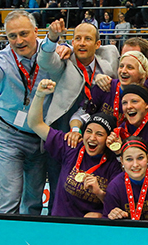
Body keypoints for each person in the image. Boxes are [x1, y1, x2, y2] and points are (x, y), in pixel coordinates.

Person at [0, 11, 51, 215]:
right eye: (12, 36)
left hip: (40, 136)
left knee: (33, 197)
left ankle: (27, 234)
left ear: (36, 31)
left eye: (24, 34)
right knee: (10, 193)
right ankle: (3, 233)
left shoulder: (51, 54)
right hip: (8, 132)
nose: (19, 41)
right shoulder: (2, 59)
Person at [28, 80, 121, 217]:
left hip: (91, 226)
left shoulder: (113, 164)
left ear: (108, 139)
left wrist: (99, 194)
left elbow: (116, 206)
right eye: (89, 131)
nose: (92, 138)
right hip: (62, 223)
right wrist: (39, 95)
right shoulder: (71, 146)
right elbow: (35, 124)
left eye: (99, 134)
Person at [103, 138, 148, 221]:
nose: (135, 164)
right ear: (122, 161)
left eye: (140, 158)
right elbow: (106, 222)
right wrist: (112, 216)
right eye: (129, 159)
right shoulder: (114, 187)